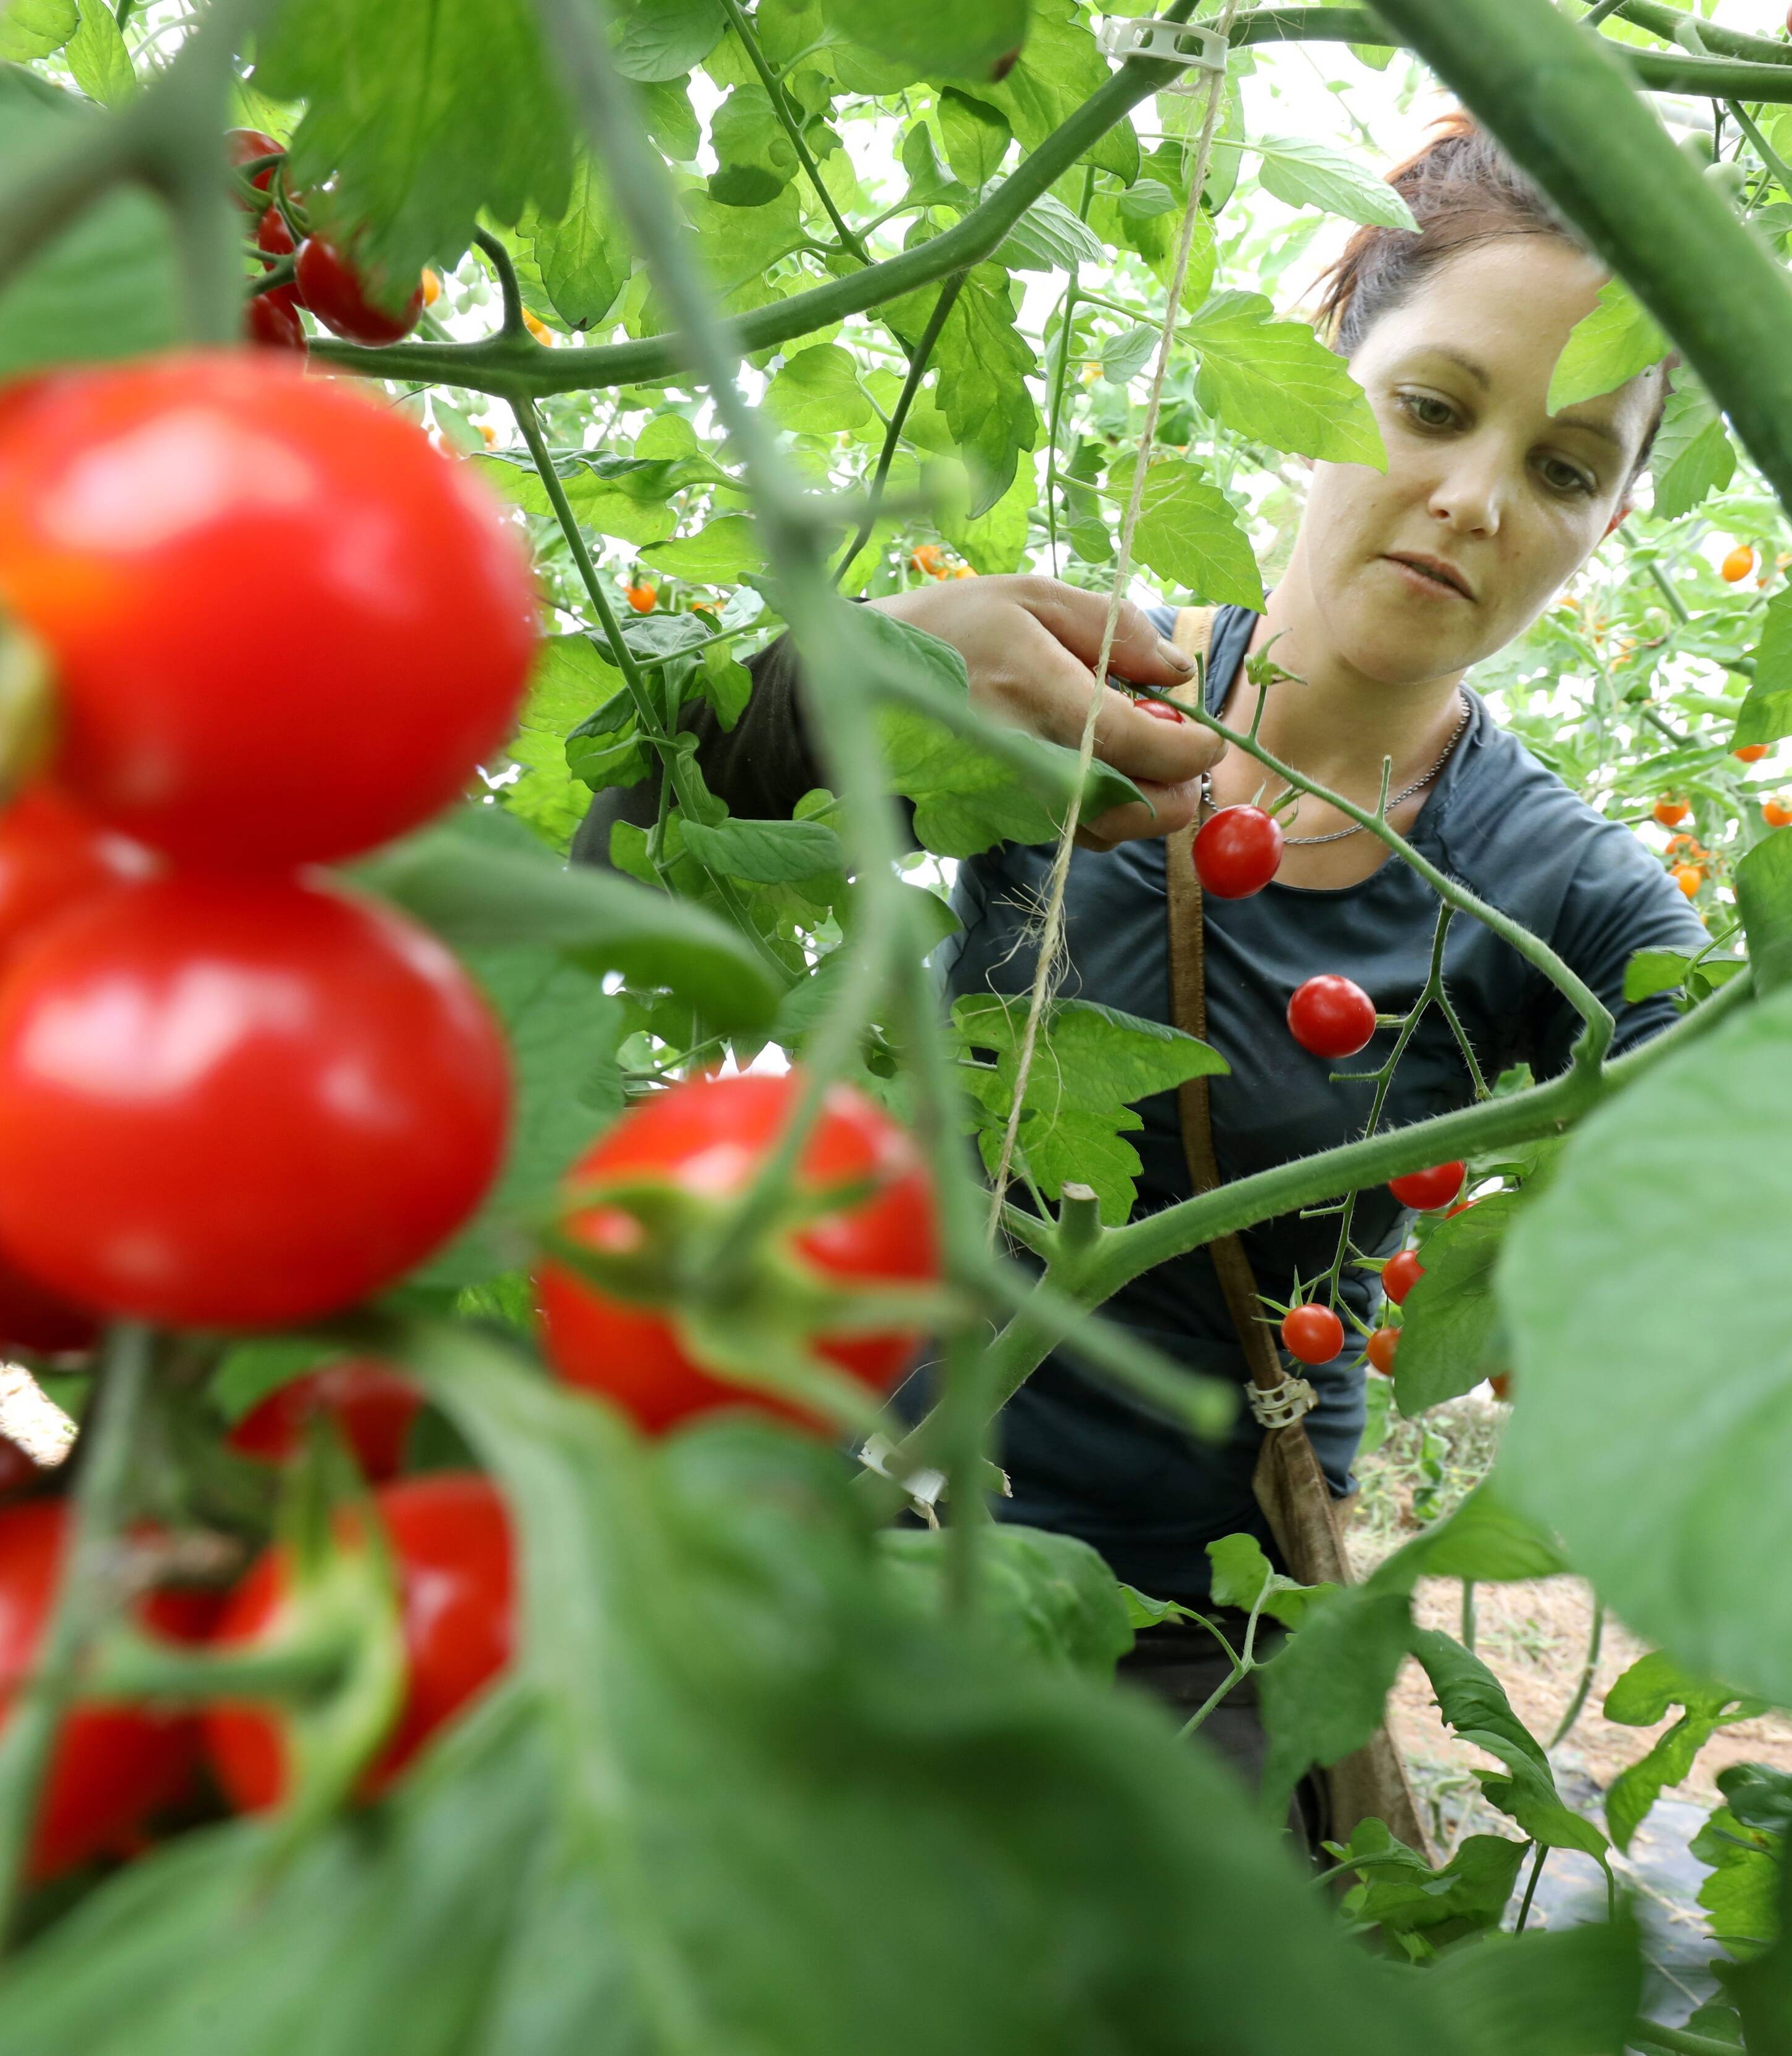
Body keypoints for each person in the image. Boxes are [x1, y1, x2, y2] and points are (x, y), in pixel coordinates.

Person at [574, 115, 1709, 1807]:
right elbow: (609, 849)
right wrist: (839, 679)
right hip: (839, 1519)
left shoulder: (1574, 893)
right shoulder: (1077, 682)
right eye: (1435, 407)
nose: (1475, 500)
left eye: (1561, 470)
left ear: (1605, 527)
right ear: (1330, 378)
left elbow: (1759, 1159)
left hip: (1191, 1652)